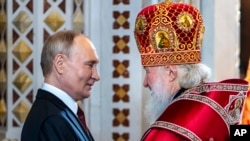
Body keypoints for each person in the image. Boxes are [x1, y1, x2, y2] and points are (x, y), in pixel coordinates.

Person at [134, 1, 249, 141]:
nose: (145, 83)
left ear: (171, 72)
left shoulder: (165, 134)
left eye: (147, 71)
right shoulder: (229, 105)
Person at [21, 30, 100, 141]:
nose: (96, 76)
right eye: (90, 65)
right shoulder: (51, 120)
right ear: (60, 64)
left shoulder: (58, 113)